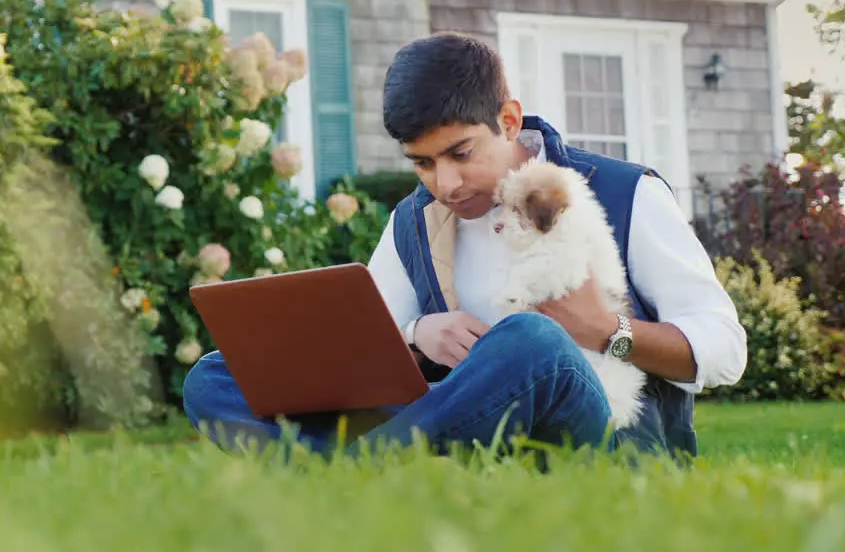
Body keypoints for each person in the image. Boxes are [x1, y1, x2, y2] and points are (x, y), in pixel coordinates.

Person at [180, 32, 748, 459]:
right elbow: (358, 355)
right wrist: (414, 333)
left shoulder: (624, 193)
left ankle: (352, 474)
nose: (444, 183)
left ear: (508, 120)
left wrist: (608, 331)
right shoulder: (412, 222)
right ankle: (379, 469)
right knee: (215, 376)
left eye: (460, 153)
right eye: (422, 163)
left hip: (608, 445)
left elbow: (725, 350)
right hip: (474, 449)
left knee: (532, 340)